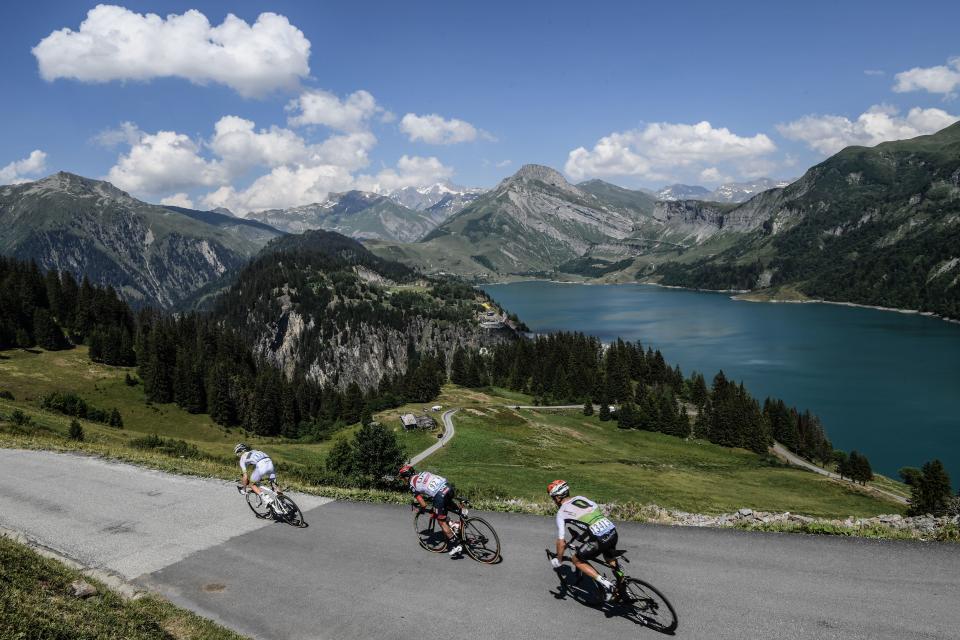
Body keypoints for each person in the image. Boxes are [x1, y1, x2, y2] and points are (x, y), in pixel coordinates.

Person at [547, 479, 618, 600]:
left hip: (598, 538)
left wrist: (559, 560)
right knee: (609, 558)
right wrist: (584, 535)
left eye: (553, 498)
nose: (554, 501)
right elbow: (594, 514)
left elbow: (561, 541)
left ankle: (608, 586)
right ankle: (622, 586)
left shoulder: (561, 513)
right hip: (611, 530)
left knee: (576, 559)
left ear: (558, 498)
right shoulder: (581, 498)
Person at [399, 464, 462, 557]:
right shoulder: (422, 473)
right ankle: (458, 521)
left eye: (403, 478)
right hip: (448, 487)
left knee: (441, 521)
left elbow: (423, 504)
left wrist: (420, 508)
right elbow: (428, 486)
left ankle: (456, 545)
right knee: (446, 506)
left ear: (406, 477)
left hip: (440, 495)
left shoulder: (412, 484)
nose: (403, 480)